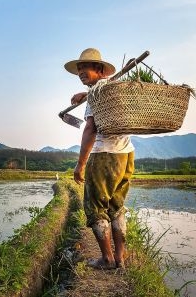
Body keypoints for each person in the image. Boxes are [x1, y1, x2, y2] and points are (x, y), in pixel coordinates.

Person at [65, 48, 135, 270]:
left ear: (99, 69)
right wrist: (85, 94)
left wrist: (80, 164)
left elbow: (90, 129)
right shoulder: (113, 89)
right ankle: (120, 258)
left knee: (96, 209)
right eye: (79, 69)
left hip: (103, 155)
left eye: (85, 67)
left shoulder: (97, 93)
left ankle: (107, 259)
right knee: (117, 207)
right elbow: (102, 87)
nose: (81, 72)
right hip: (126, 154)